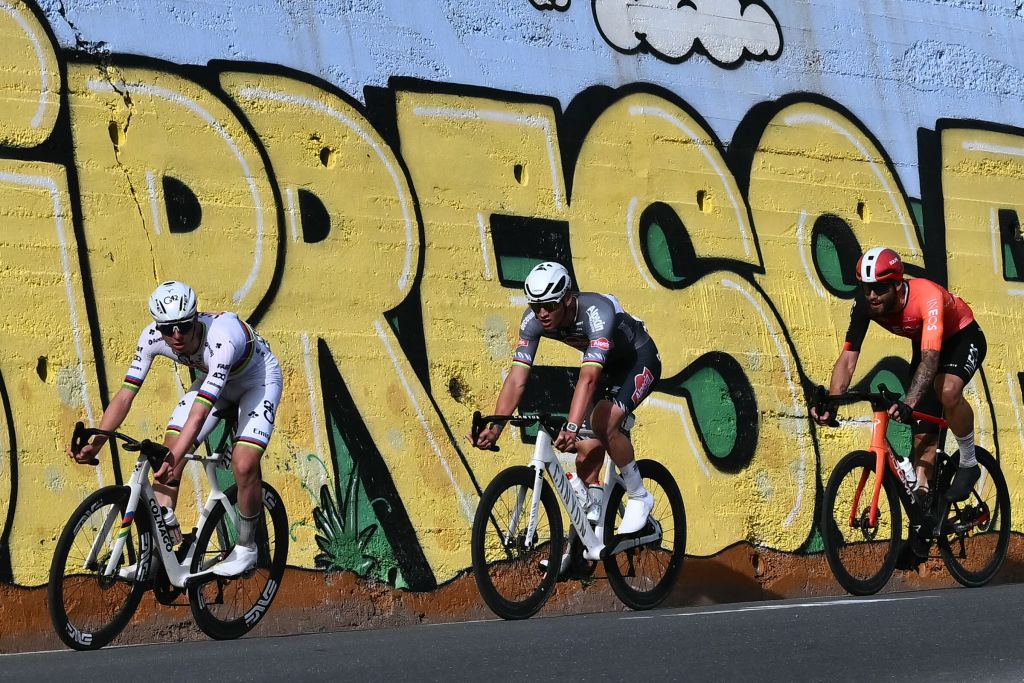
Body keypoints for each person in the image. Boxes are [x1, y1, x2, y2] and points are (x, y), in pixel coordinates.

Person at [69, 281, 283, 577]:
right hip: (215, 384)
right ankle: (160, 553)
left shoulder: (223, 338)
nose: (177, 335)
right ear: (159, 327)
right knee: (167, 453)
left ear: (196, 318)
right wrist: (97, 442)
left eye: (184, 326)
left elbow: (199, 415)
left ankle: (246, 548)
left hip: (257, 381)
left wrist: (176, 456)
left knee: (244, 463)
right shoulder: (152, 337)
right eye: (168, 329)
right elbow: (125, 395)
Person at [470, 261, 662, 572]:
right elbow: (517, 378)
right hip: (605, 368)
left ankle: (639, 496)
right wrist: (496, 427)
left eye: (548, 305)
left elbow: (587, 379)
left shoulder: (595, 311)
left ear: (567, 299)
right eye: (535, 305)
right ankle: (578, 553)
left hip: (638, 360)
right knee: (586, 454)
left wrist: (573, 426)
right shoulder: (533, 321)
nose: (541, 313)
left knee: (601, 422)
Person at [812, 246, 986, 511]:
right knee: (922, 441)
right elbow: (848, 359)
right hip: (926, 345)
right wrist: (832, 404)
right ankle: (924, 527)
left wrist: (910, 402)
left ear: (898, 284)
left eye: (880, 288)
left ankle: (969, 463)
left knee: (947, 389)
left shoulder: (926, 296)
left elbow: (929, 359)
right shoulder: (865, 305)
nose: (872, 295)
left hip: (960, 337)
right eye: (866, 287)